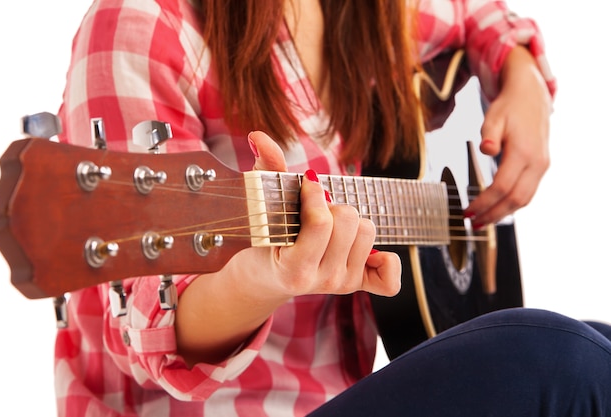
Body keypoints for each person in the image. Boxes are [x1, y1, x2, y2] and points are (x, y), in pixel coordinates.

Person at [54, 0, 610, 416]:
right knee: (561, 359)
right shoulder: (142, 22)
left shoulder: (372, 12)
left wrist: (522, 79)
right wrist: (266, 278)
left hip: (340, 398)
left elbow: (477, 18)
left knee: (601, 345)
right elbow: (146, 325)